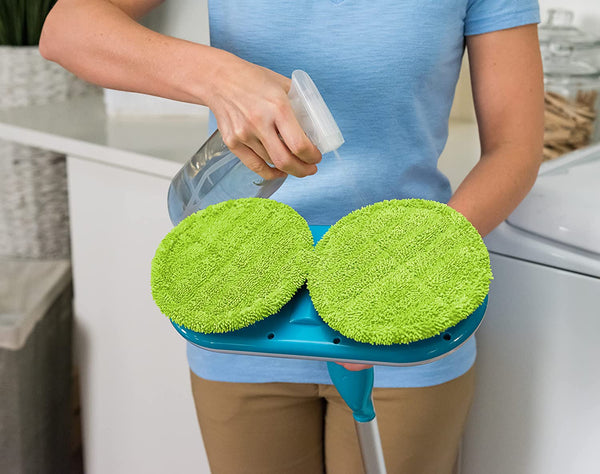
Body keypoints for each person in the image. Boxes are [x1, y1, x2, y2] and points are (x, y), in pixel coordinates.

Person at [40, 1, 544, 473]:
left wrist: (404, 273)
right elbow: (68, 29)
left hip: (407, 311)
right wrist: (220, 77)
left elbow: (515, 147)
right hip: (240, 298)